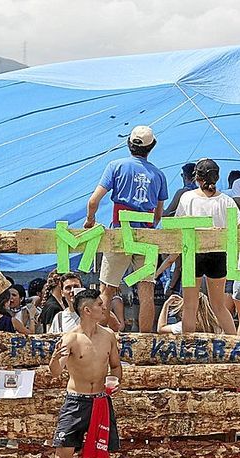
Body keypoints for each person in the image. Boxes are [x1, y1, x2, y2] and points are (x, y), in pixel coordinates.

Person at [85, 125, 168, 333]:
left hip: (120, 233)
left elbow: (93, 201)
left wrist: (90, 221)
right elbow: (158, 216)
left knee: (107, 289)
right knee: (146, 290)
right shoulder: (158, 175)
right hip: (146, 236)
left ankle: (99, 339)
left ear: (129, 144)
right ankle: (146, 342)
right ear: (152, 147)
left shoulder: (115, 166)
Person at [48, 289, 122, 458]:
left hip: (100, 401)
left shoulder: (108, 336)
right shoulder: (71, 338)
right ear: (87, 310)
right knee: (62, 457)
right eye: (99, 304)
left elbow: (116, 366)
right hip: (75, 402)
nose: (104, 307)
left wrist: (117, 382)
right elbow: (55, 373)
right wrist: (54, 359)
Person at [172, 159, 240, 335]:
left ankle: (187, 346)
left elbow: (176, 225)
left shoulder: (187, 198)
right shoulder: (226, 201)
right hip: (217, 253)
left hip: (192, 253)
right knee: (218, 305)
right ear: (217, 177)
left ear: (196, 177)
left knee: (190, 305)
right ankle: (235, 344)